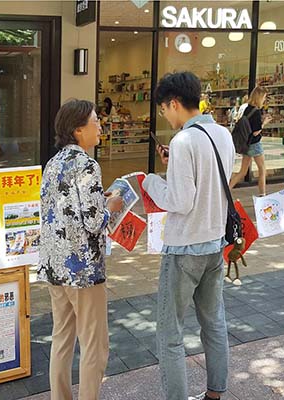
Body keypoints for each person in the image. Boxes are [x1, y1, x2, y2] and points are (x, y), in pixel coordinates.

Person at [143, 72, 234, 400]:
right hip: (214, 243)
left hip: (183, 249)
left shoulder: (183, 141)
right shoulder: (223, 134)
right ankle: (215, 393)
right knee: (214, 322)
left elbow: (180, 201)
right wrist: (173, 166)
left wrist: (151, 181)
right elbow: (211, 178)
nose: (165, 116)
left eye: (164, 109)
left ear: (174, 103)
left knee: (170, 334)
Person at [37, 99, 123, 400]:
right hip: (82, 270)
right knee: (94, 345)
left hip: (53, 265)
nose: (100, 125)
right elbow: (94, 221)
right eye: (95, 120)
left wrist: (101, 199)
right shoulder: (87, 164)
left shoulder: (54, 162)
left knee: (62, 339)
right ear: (78, 130)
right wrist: (111, 205)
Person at [229, 86, 272, 196]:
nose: (264, 100)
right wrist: (264, 123)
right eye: (264, 97)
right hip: (255, 144)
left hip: (246, 144)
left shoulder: (247, 108)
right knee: (262, 169)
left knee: (242, 171)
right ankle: (263, 194)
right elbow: (256, 131)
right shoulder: (256, 111)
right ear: (260, 97)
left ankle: (227, 190)